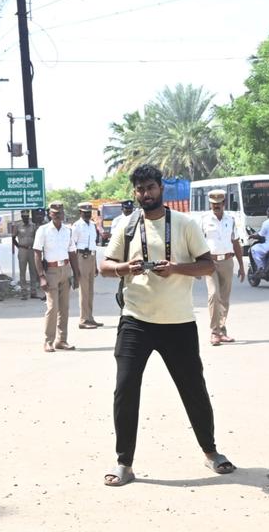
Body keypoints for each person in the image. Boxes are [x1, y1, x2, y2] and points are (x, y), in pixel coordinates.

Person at [98, 163, 231, 487]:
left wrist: (175, 269)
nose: (146, 194)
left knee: (193, 389)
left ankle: (211, 452)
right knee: (125, 390)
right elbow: (104, 265)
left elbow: (206, 266)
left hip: (178, 322)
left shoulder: (184, 224)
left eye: (151, 188)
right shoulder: (127, 226)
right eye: (140, 189)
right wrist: (125, 268)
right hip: (136, 321)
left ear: (161, 188)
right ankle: (124, 464)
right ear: (135, 193)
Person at [199, 189, 245, 346]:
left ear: (223, 204)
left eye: (218, 204)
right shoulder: (204, 220)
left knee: (224, 298)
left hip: (227, 261)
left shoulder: (230, 220)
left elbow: (235, 242)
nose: (216, 207)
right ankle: (214, 332)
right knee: (213, 294)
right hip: (209, 263)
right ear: (210, 204)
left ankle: (222, 330)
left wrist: (241, 266)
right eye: (213, 204)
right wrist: (196, 265)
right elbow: (196, 243)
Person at [34, 202, 79, 352]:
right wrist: (41, 276)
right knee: (52, 308)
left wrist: (76, 274)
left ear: (63, 213)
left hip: (65, 270)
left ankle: (62, 340)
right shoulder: (43, 230)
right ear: (50, 214)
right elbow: (37, 253)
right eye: (54, 212)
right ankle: (48, 341)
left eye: (60, 212)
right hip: (51, 271)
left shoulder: (68, 231)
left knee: (64, 308)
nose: (57, 215)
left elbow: (72, 252)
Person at [72, 202, 102, 329]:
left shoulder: (92, 225)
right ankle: (83, 320)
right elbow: (72, 246)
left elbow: (93, 245)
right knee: (84, 291)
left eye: (89, 213)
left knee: (90, 291)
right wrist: (74, 268)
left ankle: (90, 317)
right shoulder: (76, 226)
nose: (87, 214)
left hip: (91, 257)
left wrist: (95, 265)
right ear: (80, 213)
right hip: (81, 257)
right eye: (85, 213)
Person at [11, 209, 42, 300]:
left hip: (32, 250)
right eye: (24, 217)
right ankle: (24, 293)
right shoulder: (18, 226)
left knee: (33, 271)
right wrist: (19, 247)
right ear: (21, 217)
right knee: (22, 272)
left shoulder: (33, 226)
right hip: (22, 250)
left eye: (27, 217)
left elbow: (37, 238)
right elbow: (13, 238)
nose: (26, 218)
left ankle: (33, 292)